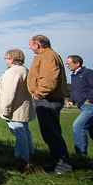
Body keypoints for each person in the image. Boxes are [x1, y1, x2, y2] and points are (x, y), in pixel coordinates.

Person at [27, 35, 72, 174]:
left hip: (48, 100)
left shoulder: (48, 57)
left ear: (38, 44)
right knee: (50, 133)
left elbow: (48, 79)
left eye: (31, 45)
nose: (30, 47)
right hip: (48, 99)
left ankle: (63, 167)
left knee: (52, 134)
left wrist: (38, 94)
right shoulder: (46, 55)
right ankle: (58, 163)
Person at [0, 49, 35, 162]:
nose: (5, 60)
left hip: (15, 108)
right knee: (25, 131)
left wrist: (5, 109)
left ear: (12, 59)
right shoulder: (25, 70)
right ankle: (30, 153)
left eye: (6, 58)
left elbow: (8, 93)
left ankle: (22, 158)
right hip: (24, 107)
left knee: (19, 132)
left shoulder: (13, 72)